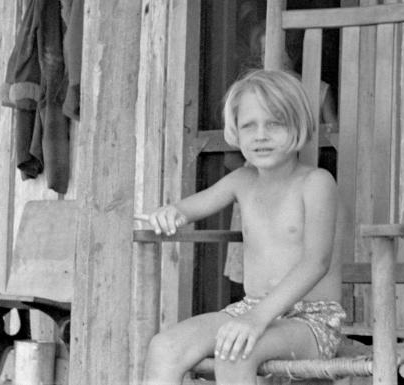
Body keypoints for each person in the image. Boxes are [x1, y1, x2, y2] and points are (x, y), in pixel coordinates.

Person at [142, 69, 344, 385]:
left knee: (235, 350)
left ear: (298, 126)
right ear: (236, 130)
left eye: (274, 123)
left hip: (310, 321)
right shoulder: (242, 180)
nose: (260, 135)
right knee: (164, 346)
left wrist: (257, 319)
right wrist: (171, 213)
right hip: (250, 309)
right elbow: (192, 206)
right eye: (249, 125)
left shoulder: (316, 183)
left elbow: (315, 263)